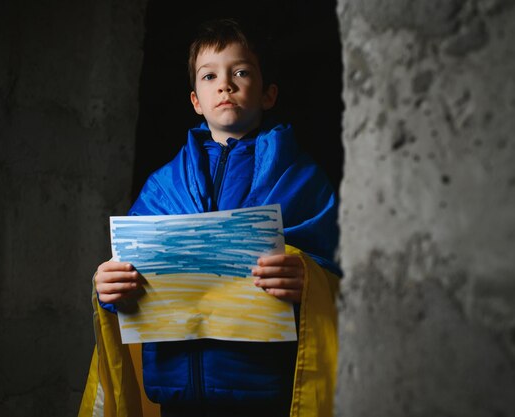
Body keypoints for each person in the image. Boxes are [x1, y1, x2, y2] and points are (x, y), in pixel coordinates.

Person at [80, 18, 339, 417]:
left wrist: (310, 279)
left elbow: (344, 275)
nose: (226, 84)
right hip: (175, 394)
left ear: (268, 94)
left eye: (241, 71)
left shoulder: (300, 179)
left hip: (267, 393)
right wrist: (108, 287)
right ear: (196, 101)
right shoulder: (163, 186)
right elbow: (130, 273)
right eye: (209, 75)